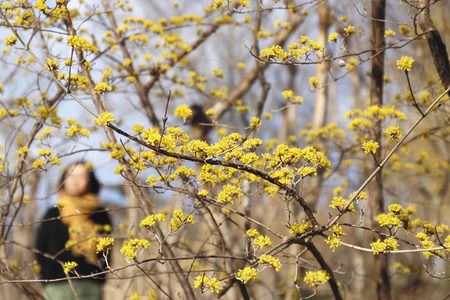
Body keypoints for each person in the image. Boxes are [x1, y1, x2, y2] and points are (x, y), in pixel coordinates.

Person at [35, 161, 112, 300]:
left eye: (82, 176)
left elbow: (108, 248)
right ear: (63, 180)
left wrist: (101, 276)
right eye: (71, 176)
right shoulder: (52, 214)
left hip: (91, 285)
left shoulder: (100, 213)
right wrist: (46, 278)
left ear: (90, 180)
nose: (76, 181)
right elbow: (40, 249)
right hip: (57, 285)